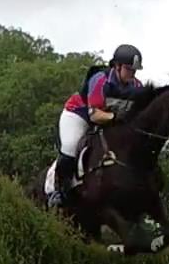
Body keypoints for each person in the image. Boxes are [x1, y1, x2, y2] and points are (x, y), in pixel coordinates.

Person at [49, 43, 148, 207]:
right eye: (129, 69)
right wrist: (116, 116)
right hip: (79, 115)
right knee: (71, 146)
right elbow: (95, 115)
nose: (132, 74)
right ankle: (58, 191)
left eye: (134, 71)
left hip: (107, 121)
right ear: (117, 66)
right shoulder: (100, 80)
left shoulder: (137, 86)